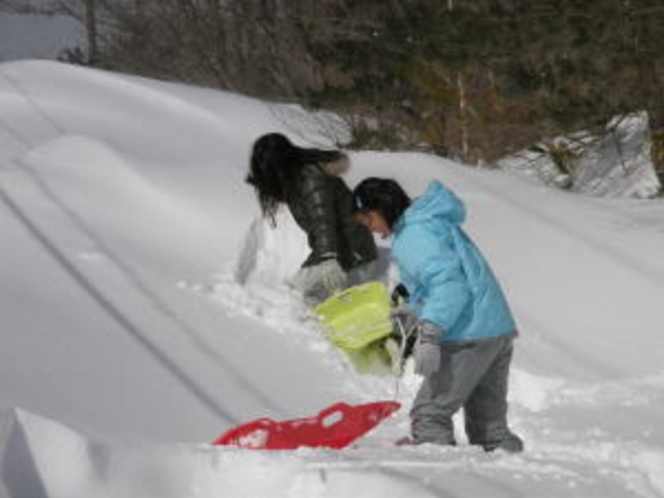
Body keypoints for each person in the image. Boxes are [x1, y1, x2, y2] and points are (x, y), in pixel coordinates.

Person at [352, 177, 524, 453]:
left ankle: (439, 475)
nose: (370, 229)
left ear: (377, 210)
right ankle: (518, 478)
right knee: (489, 430)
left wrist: (430, 332)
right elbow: (448, 279)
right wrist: (415, 310)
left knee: (429, 416)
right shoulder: (430, 222)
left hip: (468, 334)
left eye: (367, 220)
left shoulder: (414, 235)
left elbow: (450, 285)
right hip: (494, 328)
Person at [246, 133, 378, 304]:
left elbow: (323, 221)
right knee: (298, 289)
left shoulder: (310, 179)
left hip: (354, 254)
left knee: (303, 294)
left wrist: (328, 260)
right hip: (338, 249)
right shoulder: (295, 180)